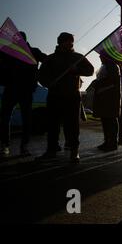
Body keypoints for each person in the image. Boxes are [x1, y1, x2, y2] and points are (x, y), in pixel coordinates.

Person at [37, 32, 94, 163]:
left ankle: (74, 151)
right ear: (60, 42)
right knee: (52, 124)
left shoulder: (78, 57)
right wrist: (48, 82)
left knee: (72, 125)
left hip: (72, 96)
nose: (70, 43)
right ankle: (51, 149)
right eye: (67, 41)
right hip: (54, 95)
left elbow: (90, 70)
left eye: (72, 41)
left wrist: (77, 70)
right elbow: (41, 76)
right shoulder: (50, 59)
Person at [0, 32, 47, 157]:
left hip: (26, 90)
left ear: (23, 40)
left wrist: (39, 76)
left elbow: (47, 60)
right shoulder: (7, 51)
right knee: (4, 118)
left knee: (26, 119)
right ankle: (5, 145)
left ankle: (24, 146)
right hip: (10, 89)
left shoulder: (33, 51)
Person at [93, 53, 121, 152]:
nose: (100, 57)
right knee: (105, 120)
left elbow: (111, 81)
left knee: (111, 120)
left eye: (101, 56)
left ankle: (112, 143)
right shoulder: (105, 66)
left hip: (110, 97)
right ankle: (107, 141)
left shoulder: (112, 66)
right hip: (104, 97)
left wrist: (99, 83)